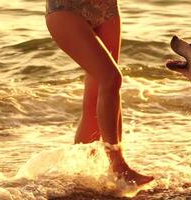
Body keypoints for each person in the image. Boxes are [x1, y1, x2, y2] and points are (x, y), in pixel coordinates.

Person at [45, 0, 154, 186]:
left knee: (97, 95)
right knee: (111, 77)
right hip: (65, 9)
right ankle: (119, 167)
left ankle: (83, 173)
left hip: (107, 9)